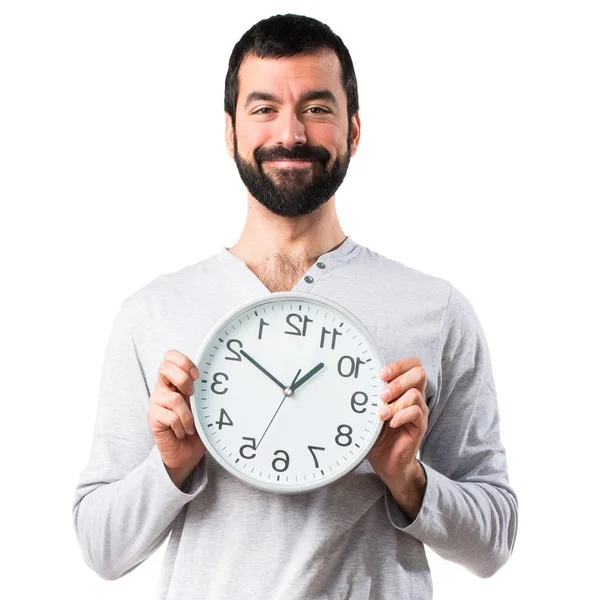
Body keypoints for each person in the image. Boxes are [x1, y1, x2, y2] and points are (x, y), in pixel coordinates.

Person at [72, 13, 518, 600]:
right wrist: (172, 466)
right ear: (229, 131)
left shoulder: (435, 309)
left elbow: (495, 542)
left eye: (317, 107)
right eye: (263, 109)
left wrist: (408, 479)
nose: (292, 133)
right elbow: (101, 549)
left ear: (353, 131)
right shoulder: (152, 312)